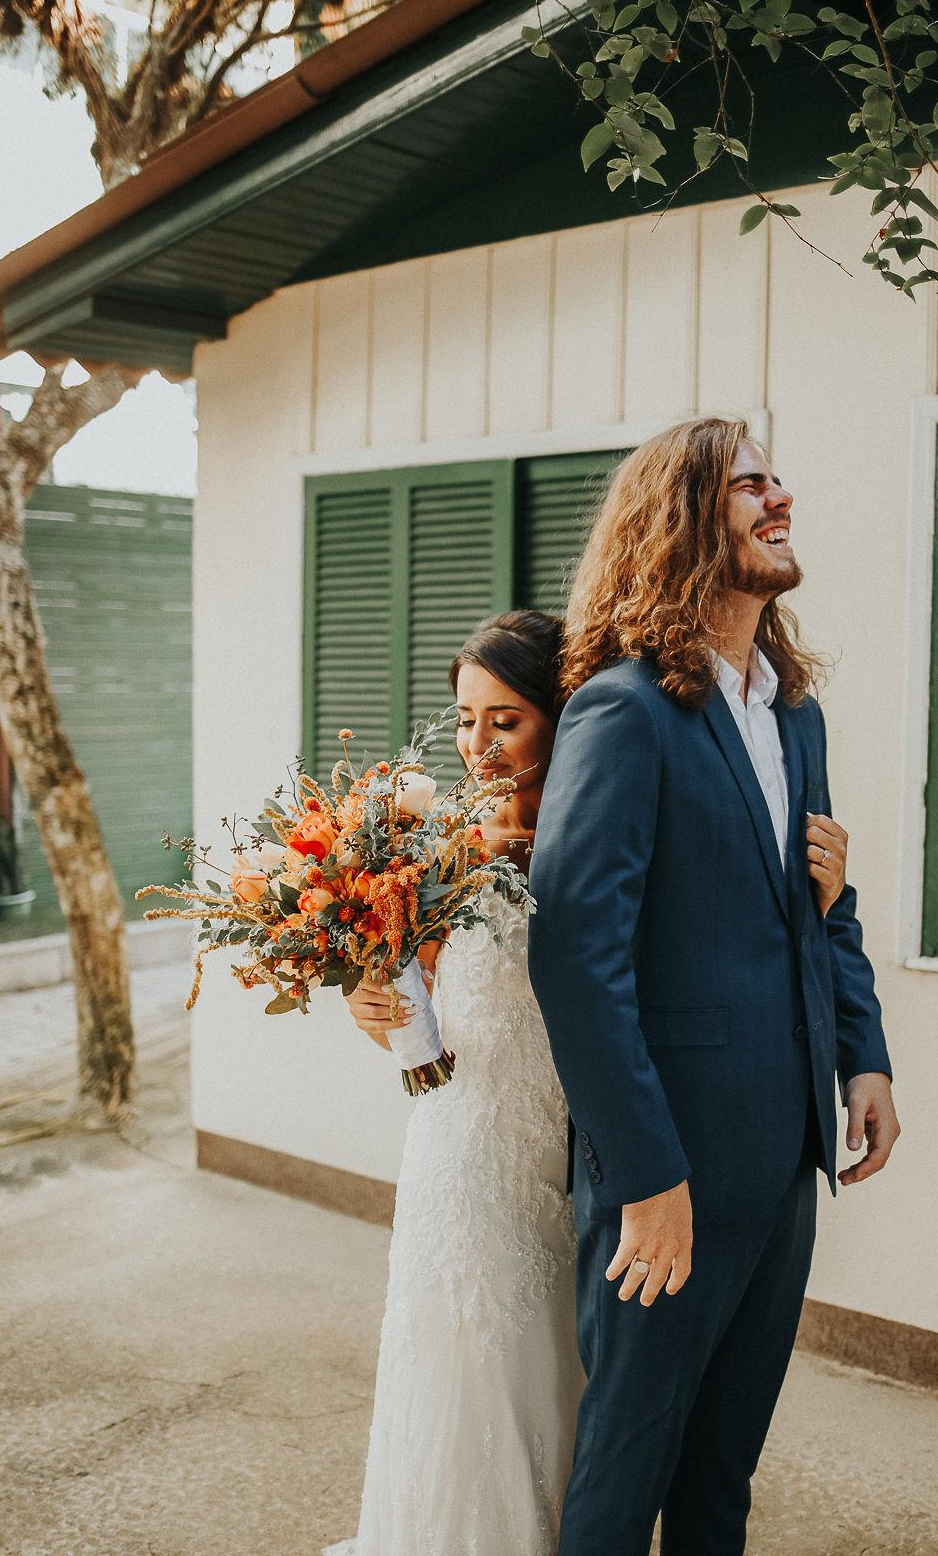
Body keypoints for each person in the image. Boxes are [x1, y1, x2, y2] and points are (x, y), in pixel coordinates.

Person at [527, 416, 901, 1556]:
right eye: (748, 483)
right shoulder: (622, 709)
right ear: (684, 517)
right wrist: (644, 1177)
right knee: (626, 1462)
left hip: (786, 1157)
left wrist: (864, 1051)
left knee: (720, 1471)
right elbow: (574, 956)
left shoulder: (794, 712)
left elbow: (816, 905)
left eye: (777, 477)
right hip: (669, 1172)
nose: (776, 496)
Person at [323, 609, 583, 1556]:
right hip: (455, 1135)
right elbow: (416, 974)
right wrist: (369, 990)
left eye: (504, 719)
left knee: (550, 1347)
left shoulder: (597, 830)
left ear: (561, 714)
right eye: (465, 719)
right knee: (456, 1342)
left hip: (562, 1126)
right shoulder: (434, 836)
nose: (477, 745)